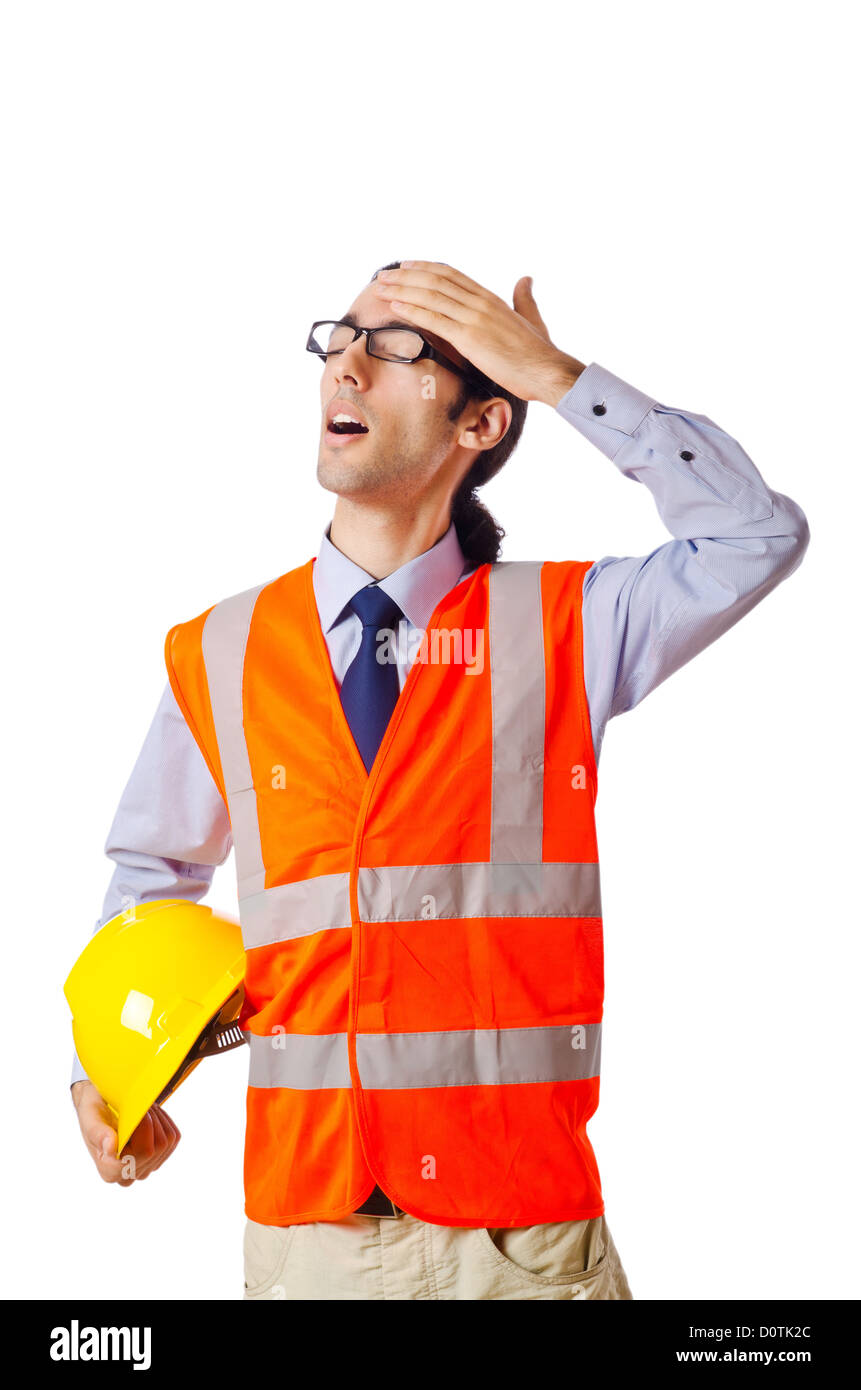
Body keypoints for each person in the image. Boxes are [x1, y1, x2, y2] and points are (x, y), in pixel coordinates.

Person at [71, 259, 809, 1300]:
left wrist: (560, 377)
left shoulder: (574, 628)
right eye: (340, 338)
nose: (348, 364)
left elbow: (756, 536)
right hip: (307, 1238)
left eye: (399, 344)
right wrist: (107, 1069)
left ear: (481, 423)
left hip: (520, 1245)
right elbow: (150, 878)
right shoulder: (221, 649)